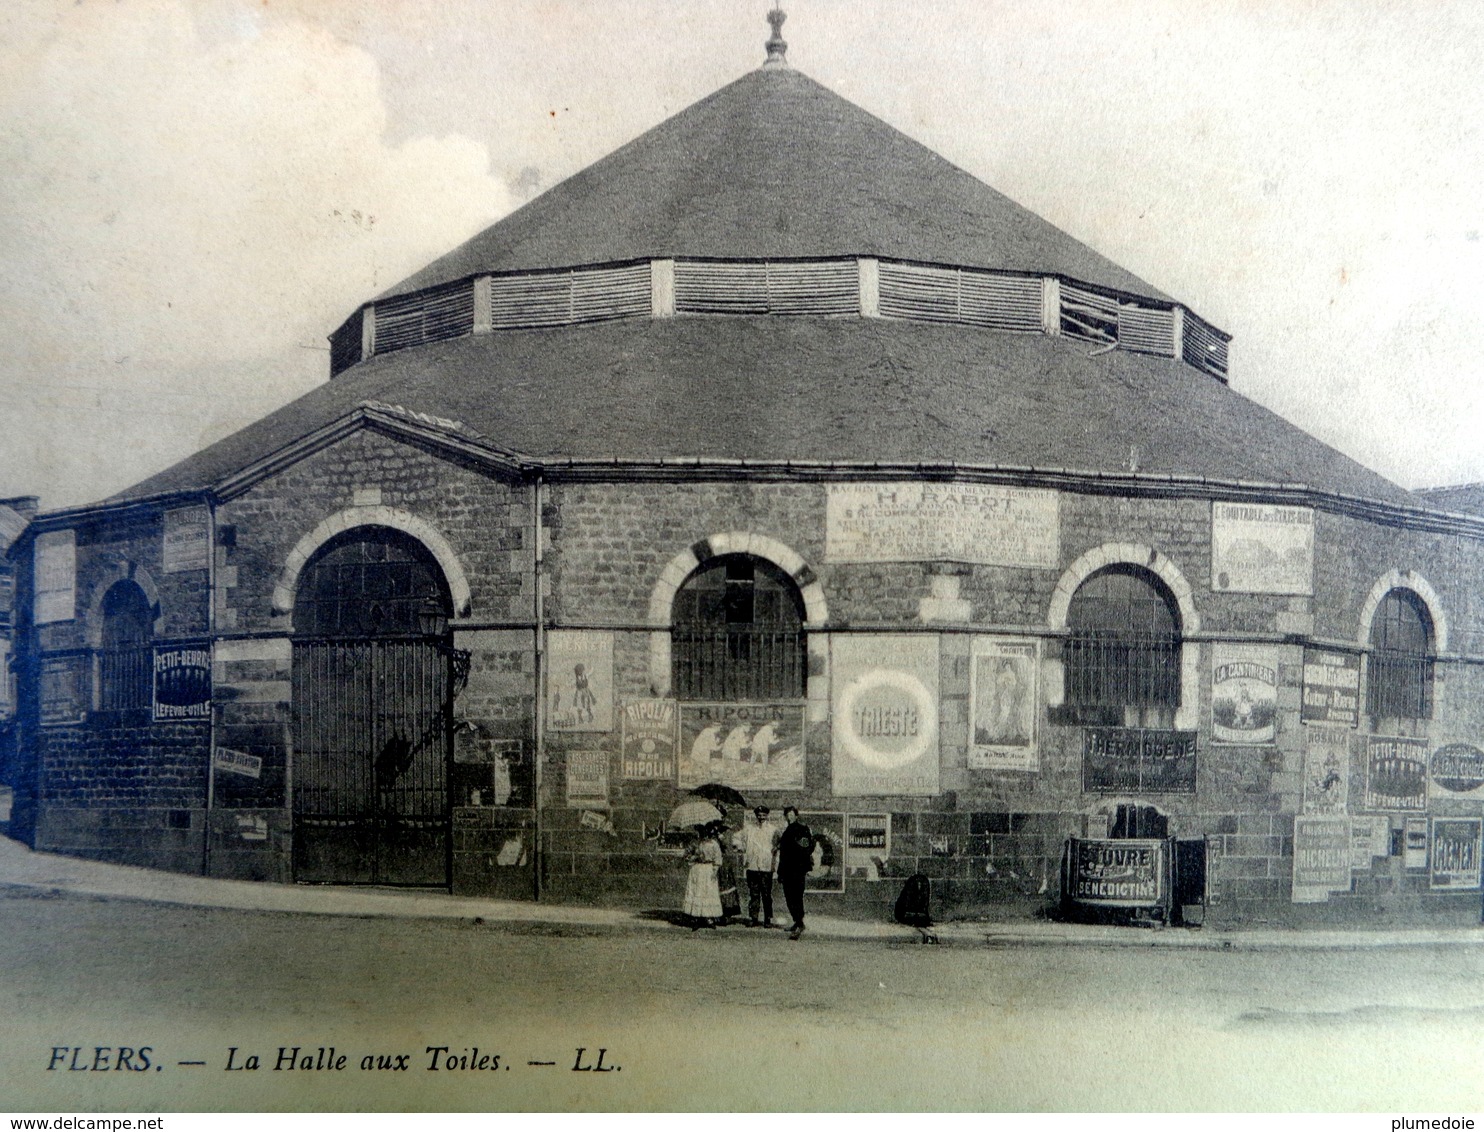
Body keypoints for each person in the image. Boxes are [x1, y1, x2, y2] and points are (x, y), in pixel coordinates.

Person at [733, 805, 780, 927]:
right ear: (756, 816)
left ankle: (767, 919)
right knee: (753, 894)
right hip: (752, 866)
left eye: (764, 815)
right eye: (759, 815)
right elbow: (736, 838)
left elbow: (781, 841)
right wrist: (741, 848)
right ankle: (753, 918)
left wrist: (776, 849)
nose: (761, 817)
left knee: (766, 894)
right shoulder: (749, 829)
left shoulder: (773, 829)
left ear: (767, 816)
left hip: (766, 866)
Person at [776, 806, 814, 940]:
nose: (789, 817)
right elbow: (783, 854)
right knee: (789, 897)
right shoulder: (786, 830)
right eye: (787, 815)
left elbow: (807, 846)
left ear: (796, 816)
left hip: (797, 870)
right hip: (787, 870)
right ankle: (797, 922)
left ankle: (799, 924)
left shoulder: (802, 829)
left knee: (796, 897)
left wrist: (800, 860)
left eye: (792, 815)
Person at [682, 822, 724, 929]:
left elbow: (718, 858)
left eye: (706, 831)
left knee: (708, 892)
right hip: (697, 869)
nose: (704, 833)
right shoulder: (695, 843)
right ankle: (696, 917)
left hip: (708, 869)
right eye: (701, 831)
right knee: (697, 891)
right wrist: (693, 857)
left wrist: (715, 870)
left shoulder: (713, 844)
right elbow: (686, 855)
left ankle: (708, 918)